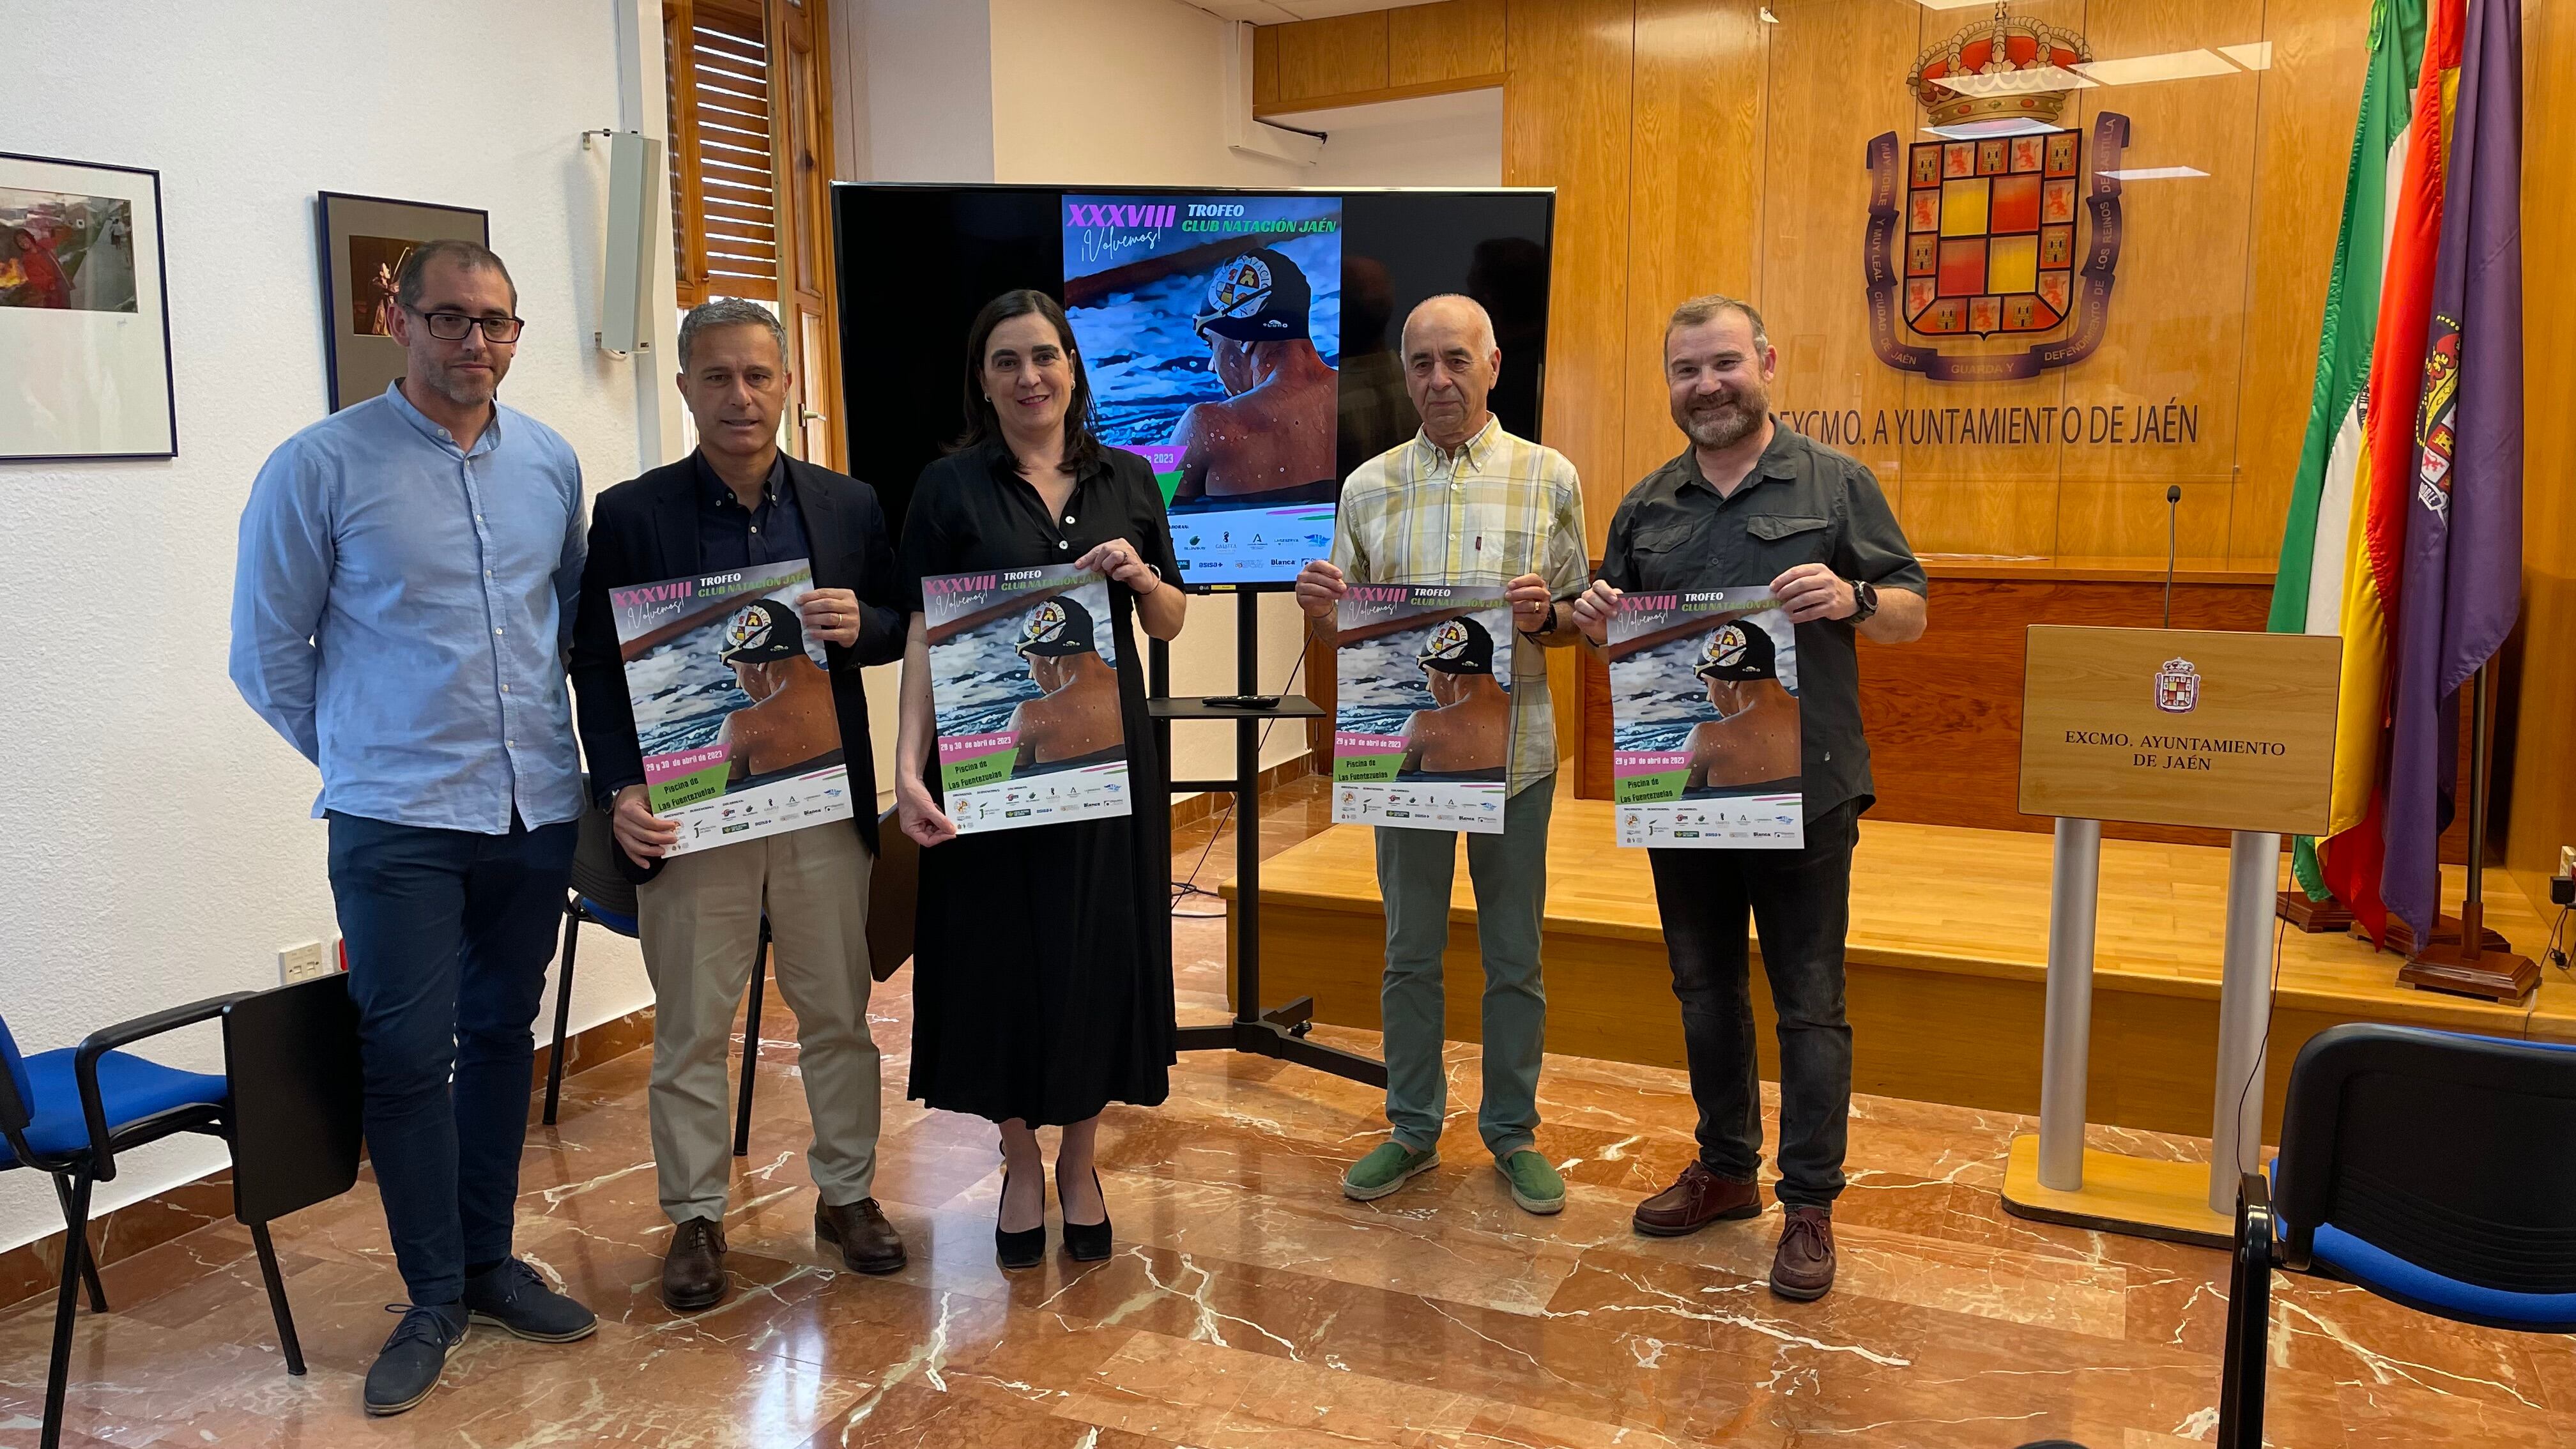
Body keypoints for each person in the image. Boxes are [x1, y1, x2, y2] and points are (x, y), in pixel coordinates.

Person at [229, 239, 595, 1416]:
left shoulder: (549, 463)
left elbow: (568, 629)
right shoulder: (320, 465)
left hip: (534, 803)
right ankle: (432, 1290)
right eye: (449, 318)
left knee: (501, 1034)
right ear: (400, 318)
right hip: (396, 820)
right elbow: (267, 653)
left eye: (495, 321)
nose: (474, 343)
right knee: (404, 1055)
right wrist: (365, 755)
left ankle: (489, 1262)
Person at [1571, 294, 1928, 1301]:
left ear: (1766, 361)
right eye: (1687, 370)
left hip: (1807, 791)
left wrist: (1855, 599)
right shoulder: (1645, 505)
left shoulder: (1834, 483)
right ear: (1670, 384)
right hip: (1688, 789)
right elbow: (1611, 630)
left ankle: (1809, 1200)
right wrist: (1594, 616)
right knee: (1702, 989)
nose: (1707, 385)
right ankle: (1727, 1168)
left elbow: (1911, 610)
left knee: (1812, 1004)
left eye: (1724, 363)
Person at [569, 297, 910, 1312]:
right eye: (716, 377)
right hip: (693, 814)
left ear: (788, 385)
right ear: (683, 389)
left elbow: (900, 624)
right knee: (690, 1027)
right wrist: (620, 791)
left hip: (815, 806)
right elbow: (596, 665)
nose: (740, 396)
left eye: (758, 375)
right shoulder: (633, 515)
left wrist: (867, 622)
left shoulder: (847, 506)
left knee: (838, 1016)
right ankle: (696, 1216)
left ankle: (846, 1195)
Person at [894, 289, 1189, 1269]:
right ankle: (1020, 1158)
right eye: (1007, 361)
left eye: (1046, 357)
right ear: (984, 380)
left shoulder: (1130, 479)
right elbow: (925, 633)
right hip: (989, 769)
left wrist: (1143, 577)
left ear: (1073, 368)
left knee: (1096, 955)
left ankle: (1080, 1160)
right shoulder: (947, 489)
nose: (1031, 378)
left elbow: (1171, 622)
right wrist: (906, 767)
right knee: (997, 959)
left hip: (1111, 771)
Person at [1293, 294, 1590, 1216]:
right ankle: (1413, 1125)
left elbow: (1585, 616)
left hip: (1518, 757)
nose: (1438, 379)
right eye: (1421, 362)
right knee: (1408, 951)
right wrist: (1321, 604)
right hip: (1408, 760)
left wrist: (1551, 615)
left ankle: (1512, 1132)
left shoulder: (1551, 478)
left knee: (1515, 955)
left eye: (1456, 359)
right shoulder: (1367, 486)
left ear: (1494, 364)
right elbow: (1353, 627)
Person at [1170, 246, 1339, 504]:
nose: (1211, 367)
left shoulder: (1207, 426)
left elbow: (1145, 523)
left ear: (1244, 341)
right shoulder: (1363, 398)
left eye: (1211, 344)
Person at [713, 597, 845, 785]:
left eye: (736, 670)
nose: (739, 685)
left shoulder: (742, 727)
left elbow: (714, 802)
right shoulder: (848, 687)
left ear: (759, 662)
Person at [1683, 618, 1800, 795]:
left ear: (1730, 679)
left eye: (1707, 684)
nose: (1709, 698)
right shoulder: (1818, 717)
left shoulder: (1708, 738)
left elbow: (1670, 809)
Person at [1006, 595, 1123, 770]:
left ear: (1050, 656)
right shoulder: (1131, 688)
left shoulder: (1032, 716)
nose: (1031, 675)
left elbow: (1005, 787)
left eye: (1029, 661)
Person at [1397, 616, 1510, 782]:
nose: (1428, 687)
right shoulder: (1525, 712)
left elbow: (1382, 784)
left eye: (1428, 674)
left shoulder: (1424, 725)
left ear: (1449, 672)